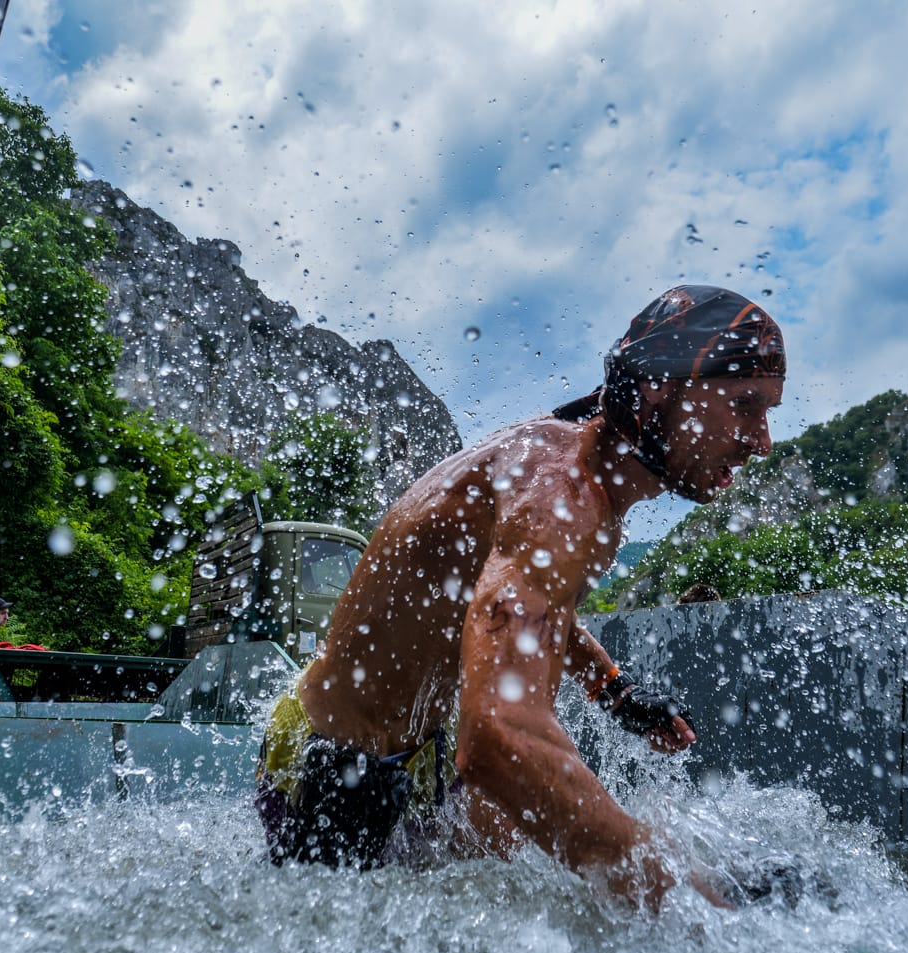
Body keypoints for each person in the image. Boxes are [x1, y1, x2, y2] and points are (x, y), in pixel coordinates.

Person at [255, 285, 787, 910]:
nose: (763, 441)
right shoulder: (563, 497)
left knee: (536, 887)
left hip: (421, 757)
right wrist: (692, 899)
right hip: (334, 762)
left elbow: (516, 606)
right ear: (658, 388)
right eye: (747, 405)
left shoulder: (571, 475)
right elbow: (496, 736)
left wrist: (611, 688)